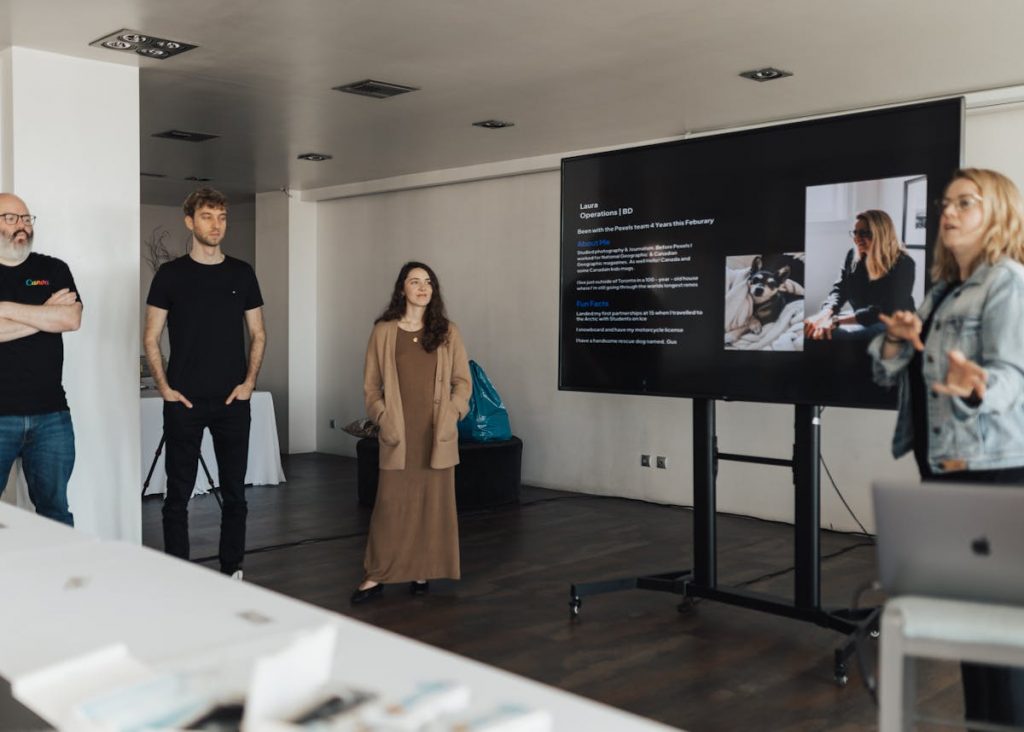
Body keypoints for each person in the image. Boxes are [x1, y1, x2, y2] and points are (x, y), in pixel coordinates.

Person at [869, 168, 1024, 728]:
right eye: (945, 203)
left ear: (998, 214)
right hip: (946, 471)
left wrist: (977, 383)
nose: (948, 213)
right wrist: (898, 338)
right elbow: (888, 375)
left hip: (994, 475)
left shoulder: (1006, 281)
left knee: (1001, 645)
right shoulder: (941, 292)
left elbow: (1013, 376)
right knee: (971, 633)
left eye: (966, 203)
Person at [144, 188, 266, 579]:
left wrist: (249, 382)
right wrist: (164, 388)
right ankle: (180, 573)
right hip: (184, 401)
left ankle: (233, 569)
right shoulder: (171, 275)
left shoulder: (242, 273)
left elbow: (258, 333)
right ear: (190, 222)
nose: (217, 225)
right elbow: (151, 336)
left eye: (222, 217)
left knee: (235, 494)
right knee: (177, 494)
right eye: (208, 217)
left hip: (233, 400)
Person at [351, 261, 471, 604]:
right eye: (414, 281)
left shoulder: (448, 331)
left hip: (437, 434)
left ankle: (422, 572)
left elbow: (463, 381)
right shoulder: (384, 332)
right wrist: (383, 416)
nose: (422, 287)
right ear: (401, 289)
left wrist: (453, 412)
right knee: (391, 507)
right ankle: (376, 575)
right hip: (399, 434)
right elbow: (371, 387)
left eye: (428, 282)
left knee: (432, 507)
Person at [0, 193, 82, 526]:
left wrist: (5, 310)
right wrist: (45, 314)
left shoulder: (53, 269)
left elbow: (71, 320)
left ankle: (58, 578)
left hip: (51, 416)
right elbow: (56, 318)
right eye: (11, 218)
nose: (22, 225)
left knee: (55, 514)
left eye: (26, 218)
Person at [805, 209, 915, 340]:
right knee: (812, 329)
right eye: (855, 232)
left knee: (832, 335)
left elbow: (886, 310)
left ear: (881, 234)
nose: (857, 238)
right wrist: (825, 313)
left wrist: (836, 321)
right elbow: (839, 290)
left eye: (864, 233)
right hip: (862, 317)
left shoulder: (903, 263)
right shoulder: (852, 256)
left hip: (892, 322)